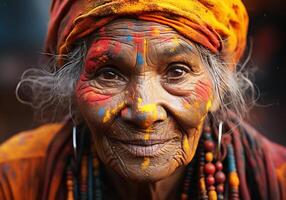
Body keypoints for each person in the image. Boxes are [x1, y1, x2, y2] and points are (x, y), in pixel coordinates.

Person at [0, 0, 285, 199]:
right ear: (72, 89)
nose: (144, 112)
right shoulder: (13, 179)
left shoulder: (278, 180)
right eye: (109, 74)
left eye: (177, 71)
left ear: (219, 87)